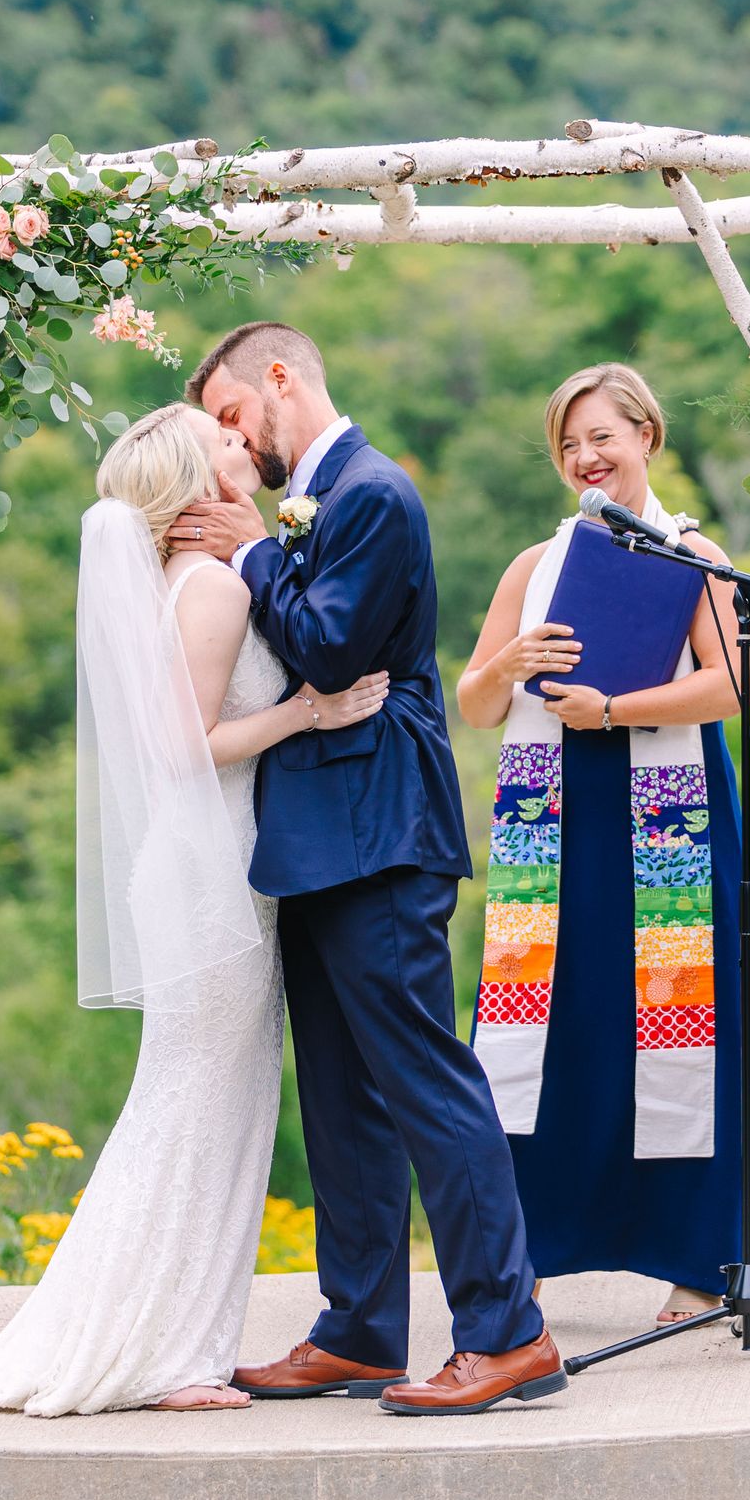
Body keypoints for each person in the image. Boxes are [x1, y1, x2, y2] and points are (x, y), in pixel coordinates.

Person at [0, 404, 386, 1414]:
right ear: (197, 483)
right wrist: (307, 711)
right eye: (225, 440)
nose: (247, 442)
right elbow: (183, 747)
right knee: (196, 1102)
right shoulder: (210, 591)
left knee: (212, 1100)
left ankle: (176, 1340)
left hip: (206, 865)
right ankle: (158, 1355)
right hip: (208, 870)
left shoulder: (183, 580)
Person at [169, 321, 564, 1415]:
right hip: (311, 839)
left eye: (234, 419)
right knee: (343, 1098)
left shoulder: (373, 494)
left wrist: (251, 549)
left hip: (382, 831)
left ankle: (507, 1331)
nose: (234, 450)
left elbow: (333, 647)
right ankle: (359, 1328)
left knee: (428, 1085)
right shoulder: (317, 499)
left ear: (281, 380)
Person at [457, 363, 750, 1326]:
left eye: (601, 436)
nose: (584, 458)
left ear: (647, 434)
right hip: (551, 826)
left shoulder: (693, 553)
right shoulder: (535, 564)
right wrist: (510, 663)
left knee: (682, 1025)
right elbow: (476, 705)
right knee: (549, 1031)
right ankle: (527, 1253)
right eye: (568, 444)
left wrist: (614, 709)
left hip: (666, 818)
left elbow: (736, 686)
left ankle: (699, 1258)